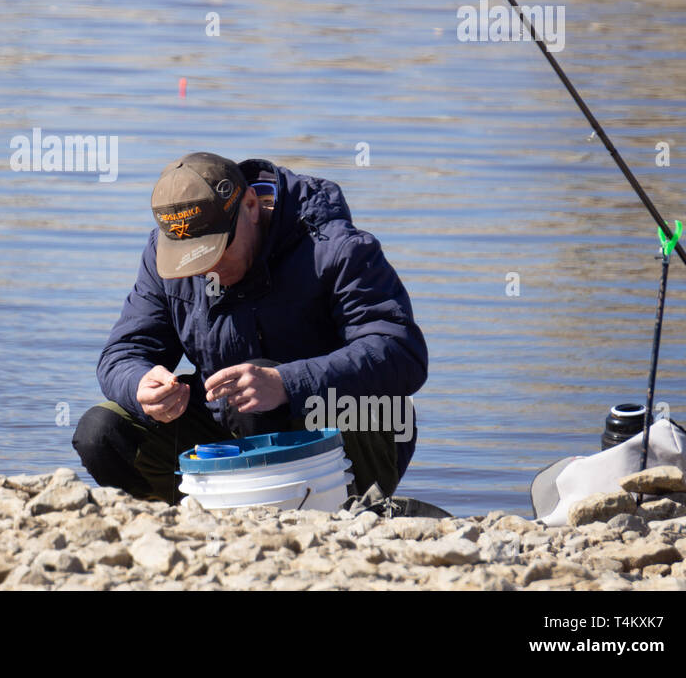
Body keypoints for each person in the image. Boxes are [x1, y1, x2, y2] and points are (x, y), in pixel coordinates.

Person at [72, 152, 428, 504]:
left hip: (339, 428)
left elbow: (401, 352)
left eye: (213, 250)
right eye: (189, 258)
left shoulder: (337, 249)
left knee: (256, 397)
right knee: (100, 433)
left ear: (251, 206)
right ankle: (183, 516)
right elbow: (123, 353)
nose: (203, 269)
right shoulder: (160, 258)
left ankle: (344, 506)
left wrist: (288, 384)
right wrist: (141, 385)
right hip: (229, 425)